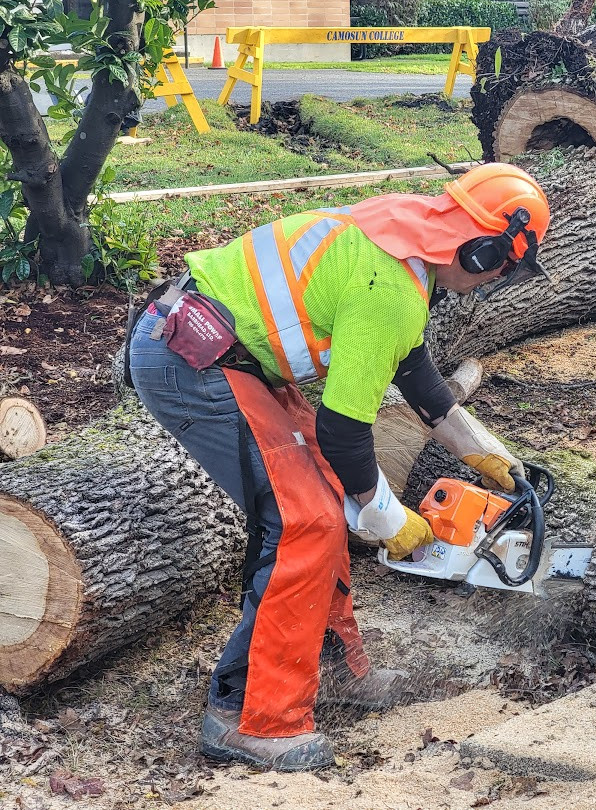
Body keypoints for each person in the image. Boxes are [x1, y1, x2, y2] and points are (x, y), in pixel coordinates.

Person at [127, 163, 551, 772]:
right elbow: (346, 432)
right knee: (305, 521)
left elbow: (413, 370)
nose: (492, 281)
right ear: (483, 251)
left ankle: (329, 667)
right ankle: (246, 715)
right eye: (501, 268)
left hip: (225, 346)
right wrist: (386, 518)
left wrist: (489, 456)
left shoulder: (398, 231)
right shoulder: (392, 289)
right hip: (192, 358)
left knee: (324, 502)